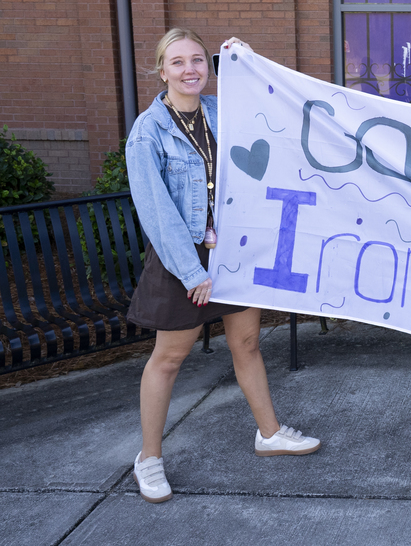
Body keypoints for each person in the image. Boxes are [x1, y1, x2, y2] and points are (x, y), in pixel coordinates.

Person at [125, 28, 320, 504]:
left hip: (233, 250)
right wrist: (193, 274)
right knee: (169, 359)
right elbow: (157, 212)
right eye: (178, 62)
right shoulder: (149, 131)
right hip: (183, 257)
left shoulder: (219, 113)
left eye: (198, 60)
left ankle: (269, 434)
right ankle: (149, 458)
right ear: (161, 69)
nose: (190, 69)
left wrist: (248, 62)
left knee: (247, 343)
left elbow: (272, 121)